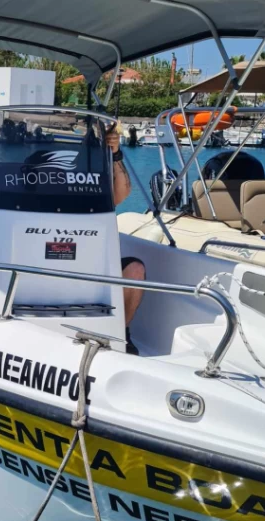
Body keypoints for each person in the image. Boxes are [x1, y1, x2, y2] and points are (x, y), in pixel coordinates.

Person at [106, 124, 146, 353]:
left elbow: (122, 193)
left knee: (136, 270)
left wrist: (116, 154)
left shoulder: (91, 181)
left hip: (98, 264)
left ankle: (120, 334)